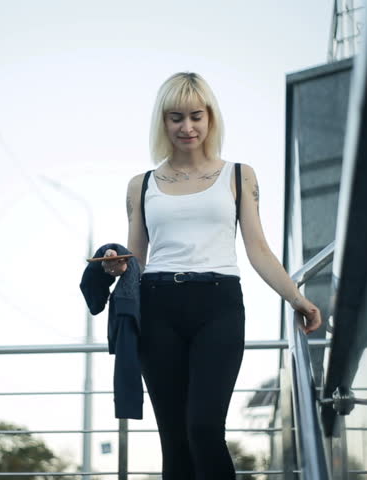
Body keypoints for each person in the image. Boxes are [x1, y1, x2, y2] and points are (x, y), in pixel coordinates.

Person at [101, 72, 322, 479]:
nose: (187, 127)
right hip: (158, 306)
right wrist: (117, 263)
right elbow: (136, 258)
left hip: (218, 305)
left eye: (196, 116)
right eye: (176, 117)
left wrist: (297, 298)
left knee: (203, 428)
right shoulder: (141, 184)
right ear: (163, 122)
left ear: (210, 119)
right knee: (174, 438)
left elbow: (257, 249)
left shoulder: (239, 175)